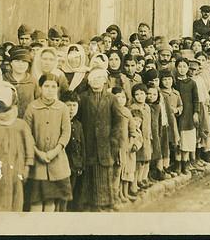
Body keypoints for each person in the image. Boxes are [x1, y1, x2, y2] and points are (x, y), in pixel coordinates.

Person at [0, 74, 34, 212]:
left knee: (15, 200)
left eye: (6, 110)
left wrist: (27, 166)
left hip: (16, 170)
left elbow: (29, 147)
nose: (3, 114)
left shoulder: (20, 125)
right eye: (0, 111)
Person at [77, 69, 124, 211]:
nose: (96, 81)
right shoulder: (83, 97)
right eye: (93, 78)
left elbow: (118, 120)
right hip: (88, 142)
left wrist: (114, 141)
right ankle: (88, 203)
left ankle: (106, 202)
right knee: (89, 174)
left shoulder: (111, 98)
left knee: (104, 173)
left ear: (104, 80)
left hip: (106, 143)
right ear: (88, 81)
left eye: (99, 78)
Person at [24, 73, 72, 212]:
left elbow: (66, 133)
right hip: (37, 162)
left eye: (53, 86)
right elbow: (27, 133)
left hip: (57, 160)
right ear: (40, 87)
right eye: (46, 86)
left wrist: (54, 151)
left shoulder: (62, 108)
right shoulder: (32, 107)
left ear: (57, 88)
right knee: (36, 202)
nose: (50, 89)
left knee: (51, 202)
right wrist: (38, 152)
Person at [174, 58, 199, 174]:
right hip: (177, 115)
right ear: (176, 68)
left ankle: (185, 164)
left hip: (188, 114)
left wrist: (195, 112)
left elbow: (195, 99)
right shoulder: (174, 83)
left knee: (187, 140)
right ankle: (177, 164)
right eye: (179, 66)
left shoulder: (192, 83)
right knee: (178, 140)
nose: (182, 69)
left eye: (184, 66)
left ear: (188, 68)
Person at [63, 93, 84, 210]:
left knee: (73, 190)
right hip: (63, 165)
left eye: (74, 106)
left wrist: (81, 164)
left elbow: (82, 147)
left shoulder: (78, 125)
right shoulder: (60, 122)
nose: (71, 109)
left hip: (75, 165)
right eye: (68, 105)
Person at [3, 46, 38, 118]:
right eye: (17, 61)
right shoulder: (3, 79)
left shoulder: (33, 81)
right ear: (11, 63)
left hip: (28, 120)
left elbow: (38, 102)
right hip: (7, 119)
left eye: (24, 61)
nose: (20, 64)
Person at [129, 83, 152, 190]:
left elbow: (149, 123)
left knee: (145, 160)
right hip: (138, 139)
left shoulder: (147, 107)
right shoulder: (133, 108)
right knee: (138, 162)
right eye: (137, 94)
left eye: (142, 94)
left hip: (147, 137)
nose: (140, 96)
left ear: (146, 95)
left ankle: (142, 179)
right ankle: (134, 183)